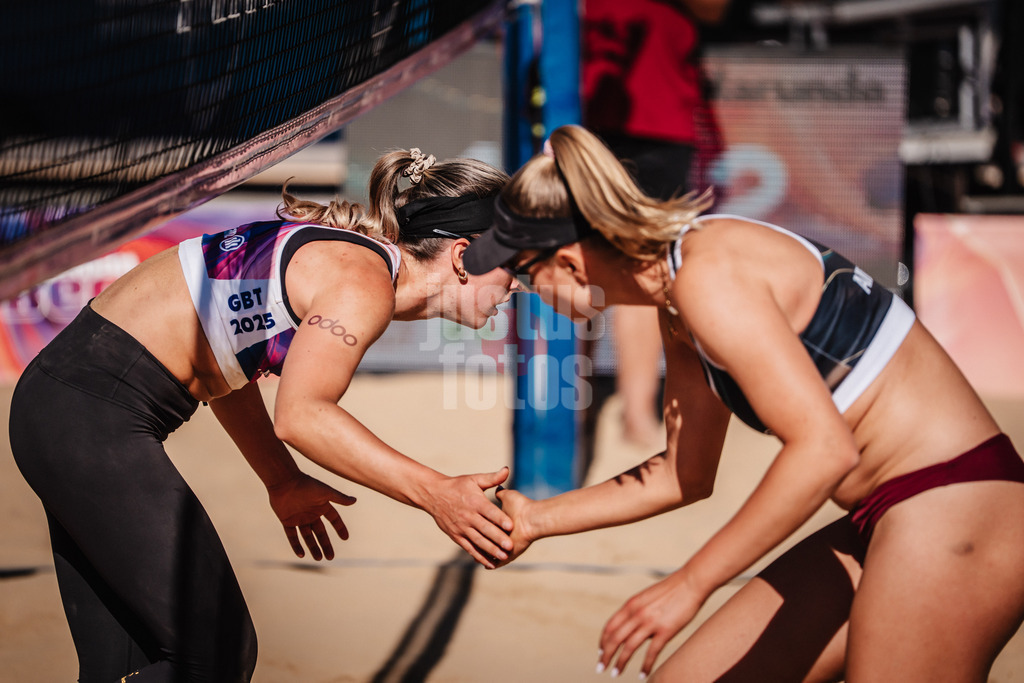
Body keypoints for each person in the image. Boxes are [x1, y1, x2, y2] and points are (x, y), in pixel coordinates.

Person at [463, 125, 1024, 681]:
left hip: (957, 503)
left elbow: (825, 451)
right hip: (890, 513)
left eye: (525, 272)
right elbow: (685, 473)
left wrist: (689, 584)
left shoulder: (707, 275)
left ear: (571, 260)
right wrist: (535, 518)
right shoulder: (677, 298)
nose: (520, 290)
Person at [8, 148, 519, 682]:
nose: (517, 286)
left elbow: (220, 367)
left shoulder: (351, 264)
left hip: (67, 405)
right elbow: (300, 416)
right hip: (91, 412)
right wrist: (435, 492)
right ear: (466, 256)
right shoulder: (362, 282)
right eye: (513, 264)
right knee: (216, 657)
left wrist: (282, 480)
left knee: (125, 663)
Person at [582, 0, 729, 447]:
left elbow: (715, 10)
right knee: (582, 263)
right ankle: (582, 404)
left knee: (637, 269)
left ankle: (635, 410)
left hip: (657, 125)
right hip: (593, 118)